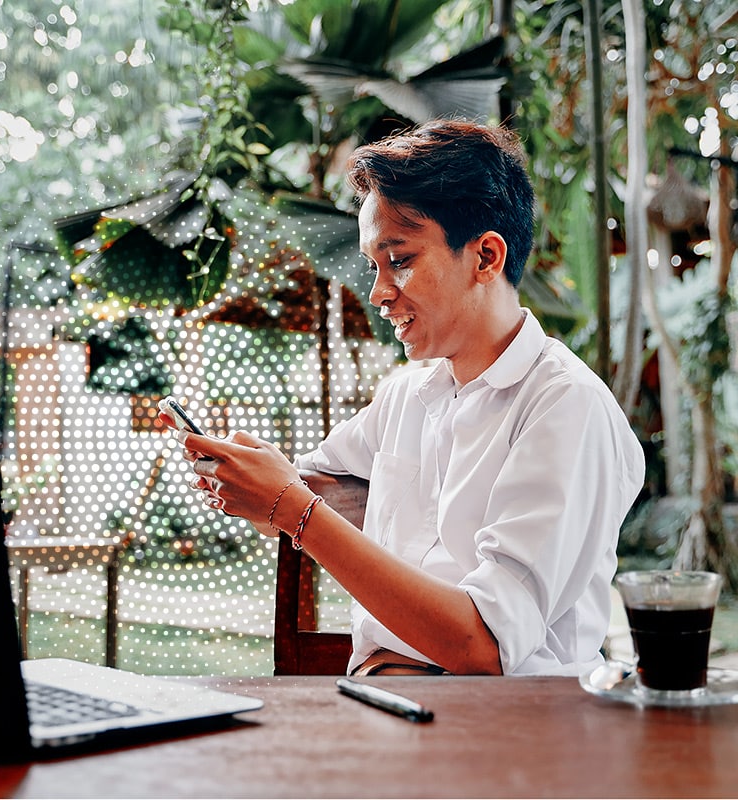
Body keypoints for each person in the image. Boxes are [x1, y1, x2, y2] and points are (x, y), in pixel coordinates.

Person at [171, 119, 645, 676]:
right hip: (384, 700)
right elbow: (309, 498)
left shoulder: (565, 407)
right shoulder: (408, 395)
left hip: (511, 730)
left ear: (486, 258)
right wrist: (250, 485)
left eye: (399, 260)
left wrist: (293, 509)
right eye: (374, 266)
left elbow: (482, 647)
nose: (377, 294)